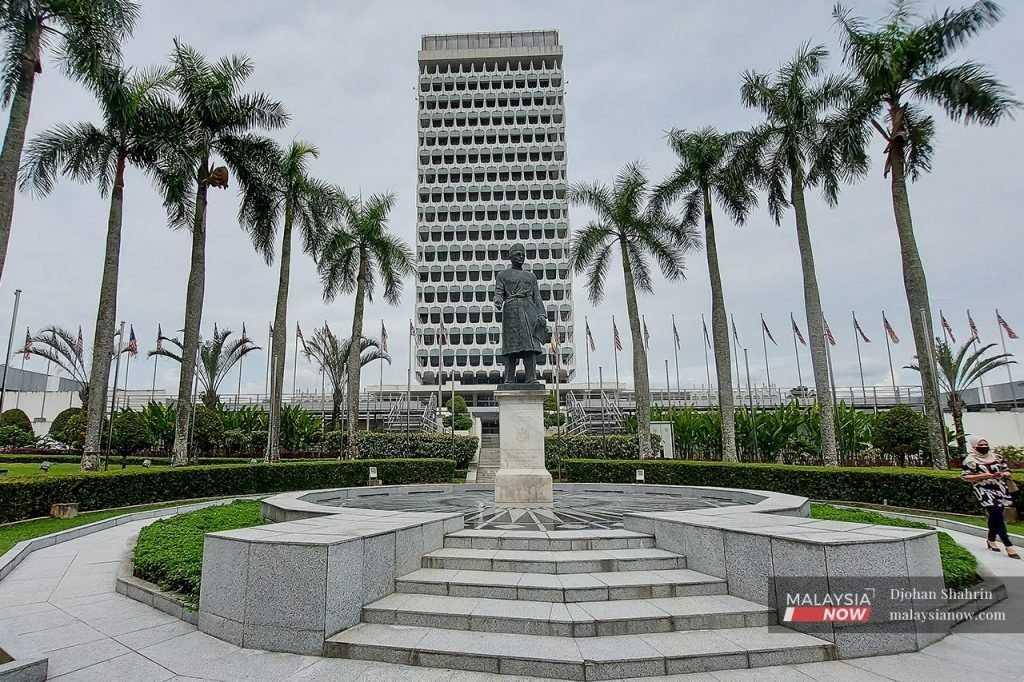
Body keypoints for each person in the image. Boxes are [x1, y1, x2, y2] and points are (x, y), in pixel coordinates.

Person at [961, 436, 1019, 558]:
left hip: (1000, 488)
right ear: (974, 446)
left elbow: (1007, 471)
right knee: (996, 514)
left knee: (996, 515)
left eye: (985, 444)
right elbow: (965, 477)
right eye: (980, 445)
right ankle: (1008, 545)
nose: (983, 447)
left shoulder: (997, 457)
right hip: (984, 490)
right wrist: (983, 476)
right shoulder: (970, 460)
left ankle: (991, 539)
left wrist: (1002, 474)